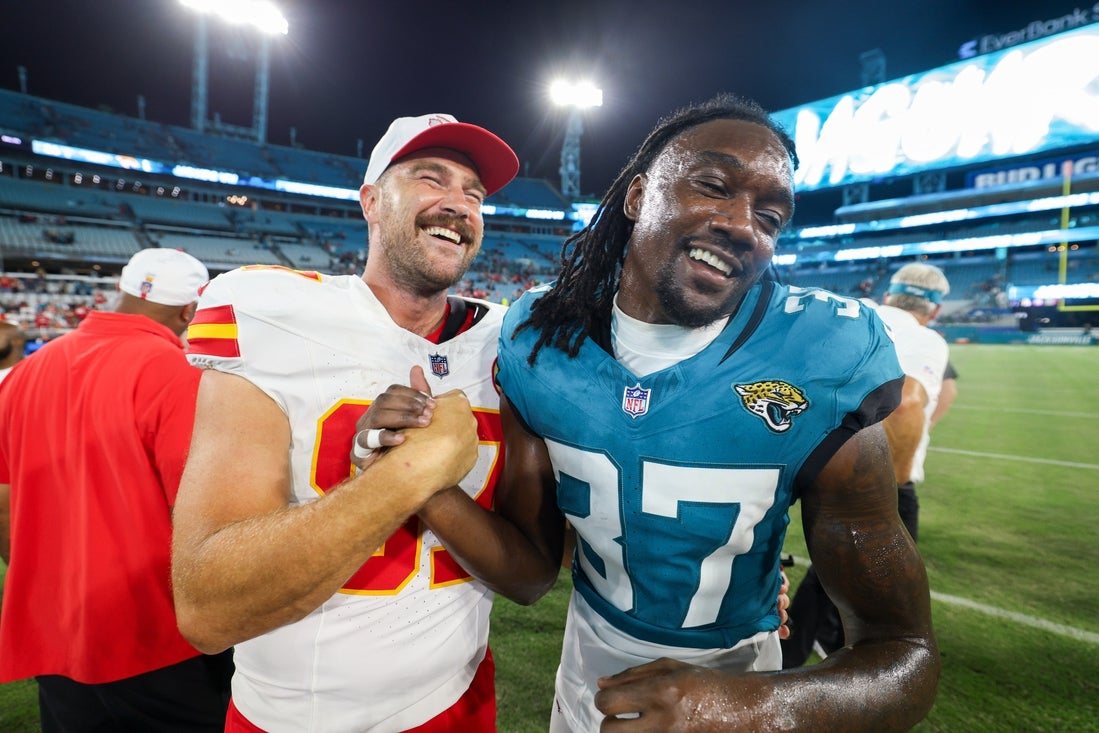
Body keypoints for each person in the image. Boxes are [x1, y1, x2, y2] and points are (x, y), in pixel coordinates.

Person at [486, 93, 940, 731]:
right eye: (714, 186)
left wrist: (742, 707)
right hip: (582, 675)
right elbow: (538, 554)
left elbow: (905, 652)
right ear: (638, 196)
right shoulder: (541, 335)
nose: (743, 225)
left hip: (742, 674)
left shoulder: (820, 353)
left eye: (771, 216)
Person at [170, 113, 520, 733]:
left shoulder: (507, 340)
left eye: (474, 193)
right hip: (292, 715)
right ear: (371, 202)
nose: (458, 204)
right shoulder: (271, 311)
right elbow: (208, 610)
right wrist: (406, 475)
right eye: (430, 178)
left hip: (459, 693)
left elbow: (534, 565)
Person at [0, 248, 234, 732]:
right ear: (189, 311)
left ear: (123, 290)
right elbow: (201, 515)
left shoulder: (27, 371)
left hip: (54, 628)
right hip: (155, 633)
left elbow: (3, 502)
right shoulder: (179, 373)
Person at [782, 262, 952, 667]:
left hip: (814, 463)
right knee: (887, 588)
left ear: (889, 294)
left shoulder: (856, 313)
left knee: (830, 569)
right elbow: (907, 403)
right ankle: (848, 660)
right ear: (935, 310)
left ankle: (796, 649)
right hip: (871, 477)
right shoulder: (924, 338)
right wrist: (895, 484)